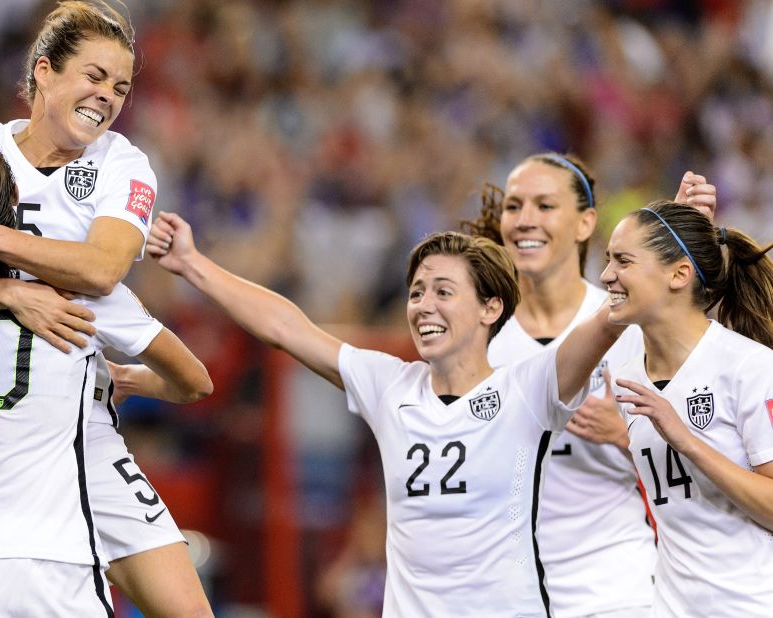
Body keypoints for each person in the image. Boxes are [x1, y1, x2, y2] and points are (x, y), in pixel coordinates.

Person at [0, 3, 214, 614]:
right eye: (93, 76)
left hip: (78, 429)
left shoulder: (121, 161)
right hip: (11, 450)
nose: (108, 96)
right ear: (44, 73)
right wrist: (9, 292)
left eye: (121, 86)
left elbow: (101, 268)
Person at [149, 212, 627, 616]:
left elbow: (608, 320)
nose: (423, 306)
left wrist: (671, 236)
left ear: (490, 308)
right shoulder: (390, 384)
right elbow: (285, 327)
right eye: (416, 292)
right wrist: (193, 265)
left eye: (443, 291)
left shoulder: (526, 387)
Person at [462, 153, 719, 617]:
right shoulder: (480, 335)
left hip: (617, 591)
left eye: (545, 206)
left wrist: (625, 437)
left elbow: (711, 454)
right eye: (514, 206)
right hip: (509, 596)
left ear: (586, 223)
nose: (525, 221)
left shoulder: (636, 322)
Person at [602, 200, 773, 616]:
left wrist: (688, 442)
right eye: (608, 260)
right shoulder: (625, 375)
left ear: (679, 274)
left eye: (623, 260)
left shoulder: (750, 366)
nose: (607, 275)